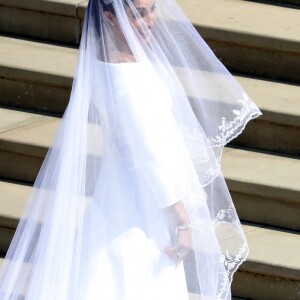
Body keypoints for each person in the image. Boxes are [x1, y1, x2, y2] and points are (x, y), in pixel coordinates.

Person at [0, 0, 261, 299]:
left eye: (151, 10)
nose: (149, 20)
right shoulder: (126, 76)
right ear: (110, 18)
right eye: (138, 14)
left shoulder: (102, 60)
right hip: (142, 204)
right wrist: (181, 218)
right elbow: (148, 155)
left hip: (115, 191)